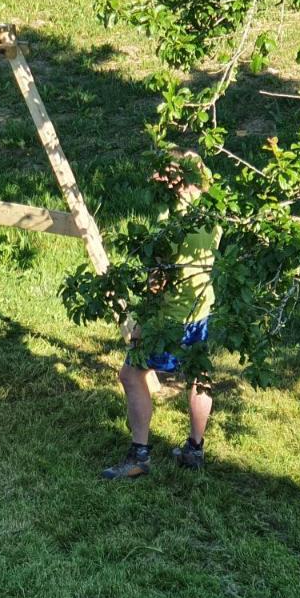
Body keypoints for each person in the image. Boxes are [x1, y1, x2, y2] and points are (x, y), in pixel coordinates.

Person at [103, 150, 221, 479]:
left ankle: (139, 455)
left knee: (130, 376)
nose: (154, 179)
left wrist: (141, 322)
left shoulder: (170, 226)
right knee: (199, 376)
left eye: (161, 174)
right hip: (200, 308)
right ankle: (194, 450)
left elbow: (157, 282)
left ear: (175, 180)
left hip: (168, 318)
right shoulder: (211, 212)